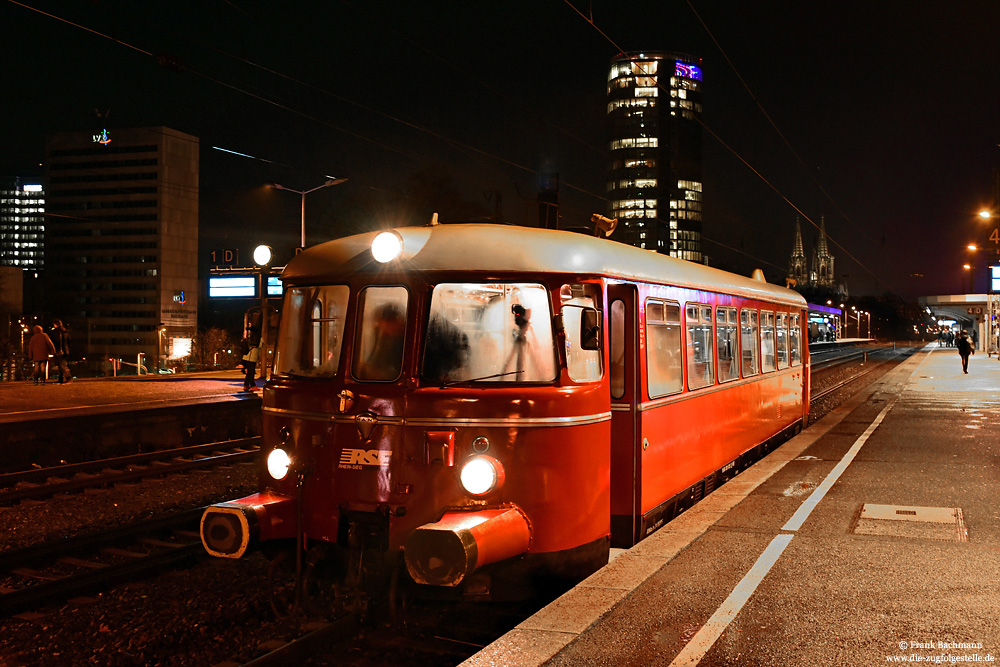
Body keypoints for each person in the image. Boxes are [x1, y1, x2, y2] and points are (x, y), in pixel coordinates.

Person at [241, 325, 261, 391]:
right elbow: (260, 345)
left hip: (247, 355)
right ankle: (252, 385)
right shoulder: (257, 337)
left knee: (249, 371)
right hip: (252, 356)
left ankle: (246, 385)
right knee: (251, 371)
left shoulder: (249, 336)